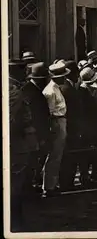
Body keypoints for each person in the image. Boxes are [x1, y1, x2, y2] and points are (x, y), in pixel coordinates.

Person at [9, 59, 35, 230]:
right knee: (15, 184)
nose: (26, 74)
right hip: (15, 144)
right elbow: (11, 120)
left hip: (16, 142)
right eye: (24, 70)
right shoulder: (14, 91)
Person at [20, 62, 51, 196]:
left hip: (36, 131)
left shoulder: (31, 90)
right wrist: (42, 136)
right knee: (31, 161)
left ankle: (31, 185)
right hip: (34, 132)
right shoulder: (31, 92)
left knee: (34, 160)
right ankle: (29, 187)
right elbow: (36, 116)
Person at [41, 61, 70, 198]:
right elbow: (50, 111)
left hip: (61, 120)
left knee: (57, 155)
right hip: (56, 122)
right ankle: (48, 186)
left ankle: (53, 183)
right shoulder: (50, 91)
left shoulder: (57, 88)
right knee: (53, 155)